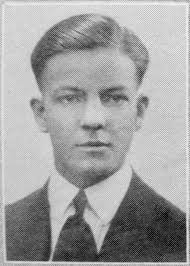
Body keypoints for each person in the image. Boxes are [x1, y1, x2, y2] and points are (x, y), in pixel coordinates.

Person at [5, 13, 186, 262]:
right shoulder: (7, 227)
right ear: (41, 114)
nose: (93, 119)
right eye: (70, 98)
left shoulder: (179, 235)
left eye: (114, 98)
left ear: (139, 112)